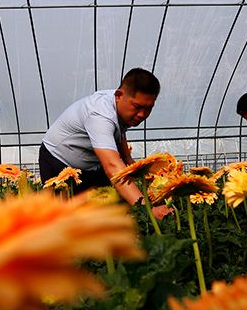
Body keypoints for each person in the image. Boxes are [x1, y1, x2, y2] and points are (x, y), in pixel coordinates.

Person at [40, 68, 171, 218]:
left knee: (109, 210)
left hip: (90, 166)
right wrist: (148, 210)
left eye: (148, 108)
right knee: (62, 219)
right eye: (137, 107)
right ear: (119, 95)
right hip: (57, 161)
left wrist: (130, 162)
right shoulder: (99, 115)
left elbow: (118, 131)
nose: (142, 115)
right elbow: (112, 166)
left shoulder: (121, 106)